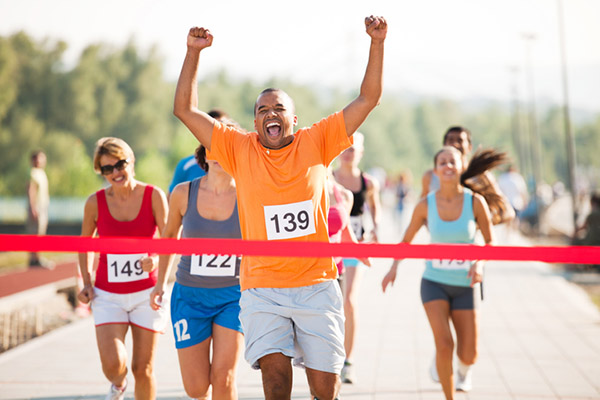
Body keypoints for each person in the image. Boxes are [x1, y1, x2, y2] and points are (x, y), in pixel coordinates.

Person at [173, 15, 387, 400]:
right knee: (275, 383)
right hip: (263, 289)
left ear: (293, 118)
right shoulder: (239, 149)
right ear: (255, 121)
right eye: (262, 110)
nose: (270, 113)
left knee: (325, 389)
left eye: (278, 108)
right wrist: (193, 53)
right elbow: (185, 111)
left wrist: (376, 43)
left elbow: (368, 99)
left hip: (315, 285)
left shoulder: (319, 140)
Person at [382, 146, 507, 400]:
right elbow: (406, 241)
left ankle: (460, 369)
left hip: (466, 284)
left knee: (469, 353)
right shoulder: (424, 205)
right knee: (444, 344)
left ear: (461, 167)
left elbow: (490, 242)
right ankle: (449, 395)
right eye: (442, 162)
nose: (448, 166)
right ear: (435, 170)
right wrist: (393, 267)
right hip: (434, 283)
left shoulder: (475, 202)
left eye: (452, 161)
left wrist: (479, 264)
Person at [150, 127, 244, 399]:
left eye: (226, 147)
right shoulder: (182, 193)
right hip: (189, 296)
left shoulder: (248, 195)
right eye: (212, 147)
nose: (218, 154)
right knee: (196, 388)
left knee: (224, 377)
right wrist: (159, 285)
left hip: (233, 296)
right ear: (203, 152)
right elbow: (168, 238)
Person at [77, 137, 168, 400]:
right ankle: (118, 385)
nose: (115, 173)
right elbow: (84, 245)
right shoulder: (94, 203)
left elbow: (170, 240)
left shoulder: (154, 196)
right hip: (108, 295)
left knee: (144, 368)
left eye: (120, 164)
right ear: (101, 172)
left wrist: (157, 259)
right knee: (113, 366)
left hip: (147, 293)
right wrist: (86, 281)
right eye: (107, 169)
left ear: (131, 161)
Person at [332, 132, 381, 383]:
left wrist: (376, 230)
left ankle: (347, 362)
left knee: (349, 300)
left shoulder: (368, 183)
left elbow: (375, 209)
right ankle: (330, 358)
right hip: (331, 248)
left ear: (360, 152)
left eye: (353, 149)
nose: (348, 153)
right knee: (333, 303)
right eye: (345, 148)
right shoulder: (328, 179)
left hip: (355, 248)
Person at [420, 126, 514, 225]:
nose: (455, 144)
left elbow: (508, 212)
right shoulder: (430, 177)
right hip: (441, 240)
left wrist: (480, 225)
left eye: (460, 140)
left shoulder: (482, 176)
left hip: (474, 239)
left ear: (469, 147)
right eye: (450, 140)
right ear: (444, 145)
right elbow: (421, 212)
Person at [168, 110, 232, 195]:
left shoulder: (239, 169)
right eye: (212, 128)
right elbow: (171, 199)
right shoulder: (186, 165)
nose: (217, 134)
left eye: (222, 127)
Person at [26, 150, 53, 268]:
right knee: (35, 233)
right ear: (33, 160)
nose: (40, 161)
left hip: (42, 207)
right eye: (37, 159)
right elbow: (30, 190)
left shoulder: (41, 173)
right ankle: (34, 259)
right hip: (36, 207)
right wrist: (32, 207)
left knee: (40, 233)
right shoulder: (33, 173)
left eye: (42, 158)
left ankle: (36, 257)